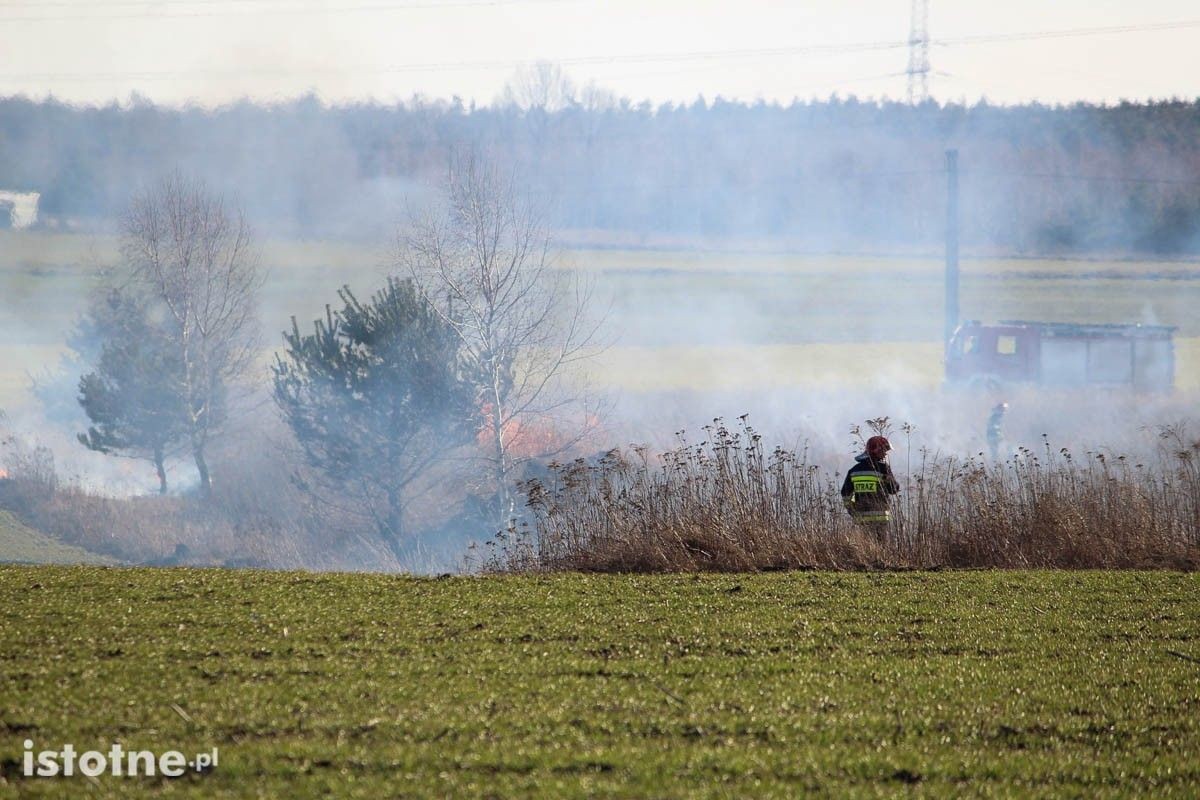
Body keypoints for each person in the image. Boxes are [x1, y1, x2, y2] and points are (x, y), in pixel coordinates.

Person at [841, 435, 900, 542]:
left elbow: (845, 493)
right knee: (882, 549)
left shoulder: (854, 470)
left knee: (865, 548)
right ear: (875, 451)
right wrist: (888, 478)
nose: (885, 453)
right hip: (880, 519)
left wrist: (852, 510)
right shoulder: (883, 468)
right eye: (884, 450)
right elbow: (893, 489)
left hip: (861, 519)